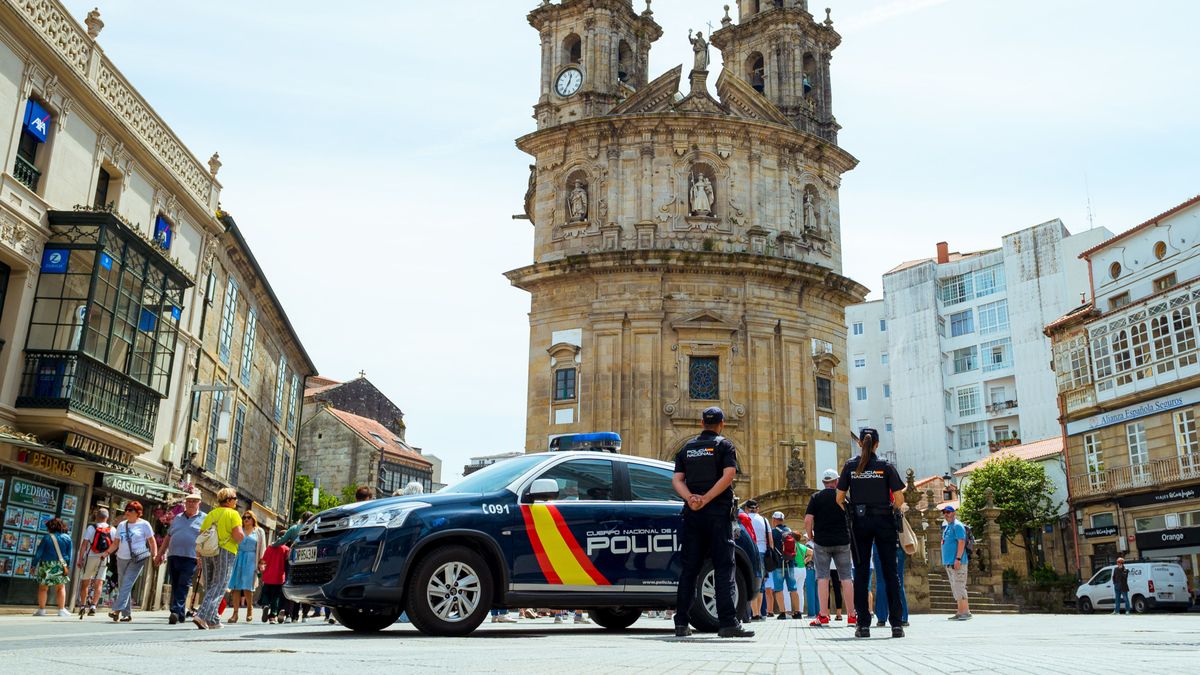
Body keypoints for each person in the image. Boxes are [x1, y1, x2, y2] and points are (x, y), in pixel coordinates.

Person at [671, 406, 754, 638]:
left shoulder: (686, 448)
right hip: (717, 514)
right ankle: (727, 622)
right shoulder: (724, 445)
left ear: (701, 423)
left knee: (690, 569)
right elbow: (728, 476)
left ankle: (681, 623)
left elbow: (677, 480)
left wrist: (691, 498)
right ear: (721, 424)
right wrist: (707, 499)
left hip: (692, 514)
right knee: (724, 566)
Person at [836, 428, 906, 638]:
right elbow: (900, 499)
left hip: (860, 522)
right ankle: (896, 624)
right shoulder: (885, 466)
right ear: (877, 443)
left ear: (860, 443)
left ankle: (863, 625)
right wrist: (891, 511)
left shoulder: (850, 466)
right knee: (890, 573)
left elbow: (839, 498)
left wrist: (852, 510)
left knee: (861, 572)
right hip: (884, 521)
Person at [804, 468, 854, 627]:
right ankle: (852, 615)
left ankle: (824, 616)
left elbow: (807, 520)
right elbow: (851, 519)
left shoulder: (816, 497)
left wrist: (810, 536)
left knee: (823, 578)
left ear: (824, 482)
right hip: (842, 542)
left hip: (822, 542)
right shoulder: (843, 498)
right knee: (846, 578)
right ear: (836, 482)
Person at [193, 488, 246, 629]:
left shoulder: (211, 514)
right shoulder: (233, 514)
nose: (236, 501)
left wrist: (198, 555)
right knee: (220, 584)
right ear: (228, 500)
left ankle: (213, 619)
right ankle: (202, 615)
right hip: (226, 550)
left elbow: (202, 534)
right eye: (235, 498)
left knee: (211, 585)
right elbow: (238, 535)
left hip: (208, 551)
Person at [156, 492, 206, 625]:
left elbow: (206, 539)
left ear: (199, 503)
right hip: (174, 555)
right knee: (176, 584)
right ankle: (181, 615)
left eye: (194, 501)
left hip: (191, 557)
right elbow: (168, 536)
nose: (191, 504)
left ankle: (175, 611)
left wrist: (202, 557)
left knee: (183, 583)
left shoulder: (204, 518)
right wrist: (160, 553)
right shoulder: (178, 517)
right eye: (189, 501)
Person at [110, 501, 157, 622]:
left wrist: (155, 555)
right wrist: (105, 553)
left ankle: (117, 610)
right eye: (126, 509)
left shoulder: (144, 524)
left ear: (138, 513)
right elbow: (116, 543)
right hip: (121, 557)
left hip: (137, 558)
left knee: (126, 582)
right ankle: (127, 615)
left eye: (130, 510)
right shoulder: (121, 525)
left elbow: (152, 541)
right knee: (123, 585)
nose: (127, 512)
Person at [227, 510, 265, 623]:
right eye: (244, 517)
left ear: (253, 519)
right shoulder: (239, 530)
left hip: (252, 559)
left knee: (248, 586)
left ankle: (249, 610)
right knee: (236, 586)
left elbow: (262, 547)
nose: (246, 519)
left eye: (249, 517)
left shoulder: (259, 531)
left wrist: (261, 562)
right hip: (238, 558)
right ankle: (235, 614)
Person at [76, 508, 114, 616]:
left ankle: (83, 605)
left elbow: (84, 544)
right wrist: (106, 554)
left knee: (85, 581)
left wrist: (80, 558)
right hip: (104, 557)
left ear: (97, 517)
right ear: (107, 518)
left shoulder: (91, 528)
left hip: (90, 557)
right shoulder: (112, 529)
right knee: (99, 582)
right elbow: (115, 544)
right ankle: (93, 606)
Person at [33, 517, 73, 617]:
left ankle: (41, 610)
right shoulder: (67, 538)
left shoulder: (46, 537)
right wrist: (67, 566)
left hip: (46, 564)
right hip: (60, 564)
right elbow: (69, 555)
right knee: (61, 587)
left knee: (43, 588)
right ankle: (61, 610)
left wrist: (33, 565)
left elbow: (39, 553)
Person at [740, 500, 771, 621]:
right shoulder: (764, 520)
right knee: (761, 583)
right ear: (757, 508)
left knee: (751, 580)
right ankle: (758, 613)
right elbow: (770, 539)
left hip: (750, 551)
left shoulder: (744, 518)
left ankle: (752, 613)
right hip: (763, 552)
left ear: (747, 509)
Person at [941, 505, 972, 621]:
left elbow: (961, 542)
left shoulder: (957, 525)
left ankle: (965, 612)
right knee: (955, 587)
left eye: (948, 512)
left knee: (959, 585)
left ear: (954, 513)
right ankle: (960, 611)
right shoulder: (949, 526)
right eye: (944, 512)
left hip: (958, 562)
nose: (946, 514)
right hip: (950, 563)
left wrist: (958, 559)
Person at [769, 512, 801, 619]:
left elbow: (771, 546)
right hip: (790, 563)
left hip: (778, 564)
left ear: (774, 520)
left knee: (778, 589)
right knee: (793, 588)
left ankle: (782, 613)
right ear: (782, 520)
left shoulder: (773, 532)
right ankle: (797, 612)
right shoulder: (789, 531)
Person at [874, 543, 909, 627]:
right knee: (898, 581)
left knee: (881, 582)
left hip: (879, 546)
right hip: (897, 545)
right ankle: (903, 617)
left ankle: (881, 618)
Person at [261, 535, 290, 623]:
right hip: (279, 577)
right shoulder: (285, 549)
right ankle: (273, 616)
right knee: (276, 597)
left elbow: (263, 560)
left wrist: (261, 571)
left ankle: (265, 605)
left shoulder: (269, 548)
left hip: (268, 575)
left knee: (266, 593)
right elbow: (287, 561)